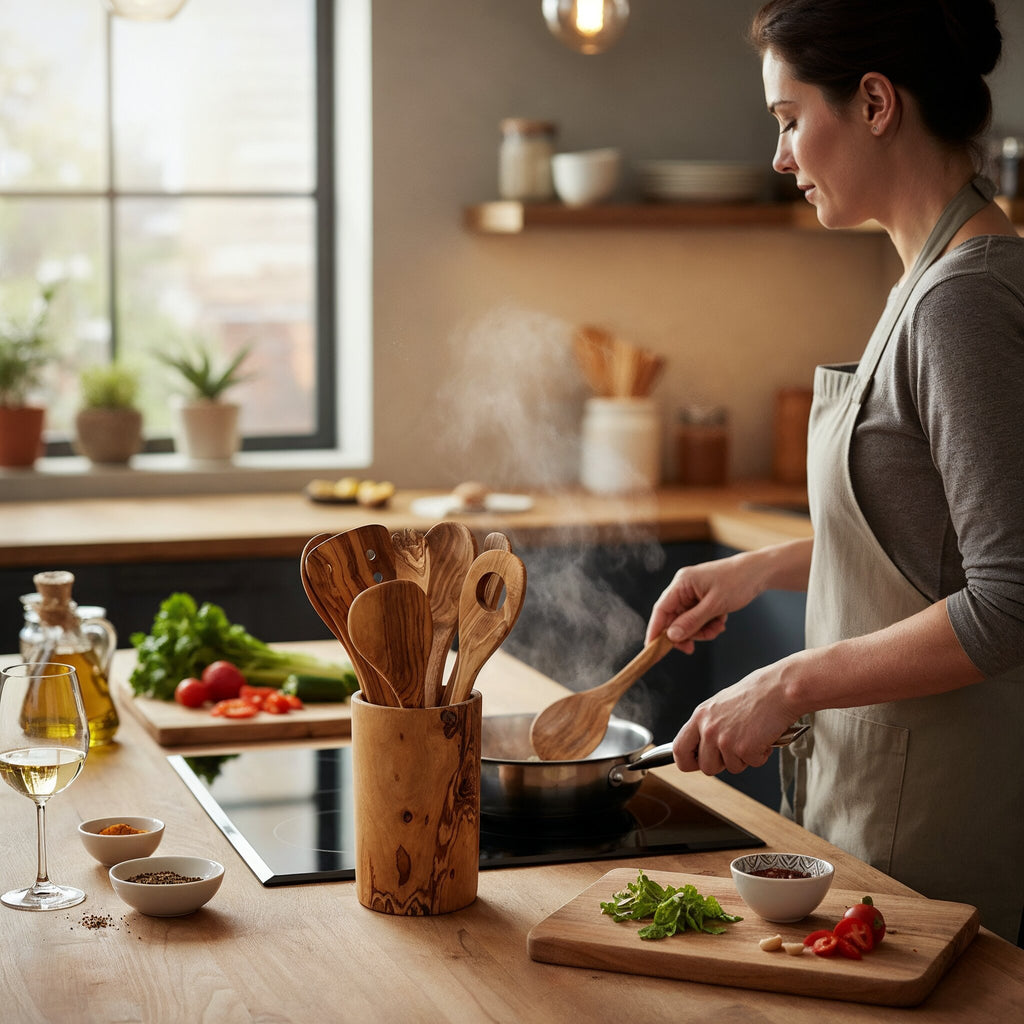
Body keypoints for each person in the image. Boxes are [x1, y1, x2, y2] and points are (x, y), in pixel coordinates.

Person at [646, 0, 1024, 944]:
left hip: (935, 826)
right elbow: (920, 538)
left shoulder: (961, 303)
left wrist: (787, 684)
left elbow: (1010, 599)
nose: (780, 156)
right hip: (882, 808)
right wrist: (760, 568)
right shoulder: (925, 282)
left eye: (787, 119)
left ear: (875, 102)